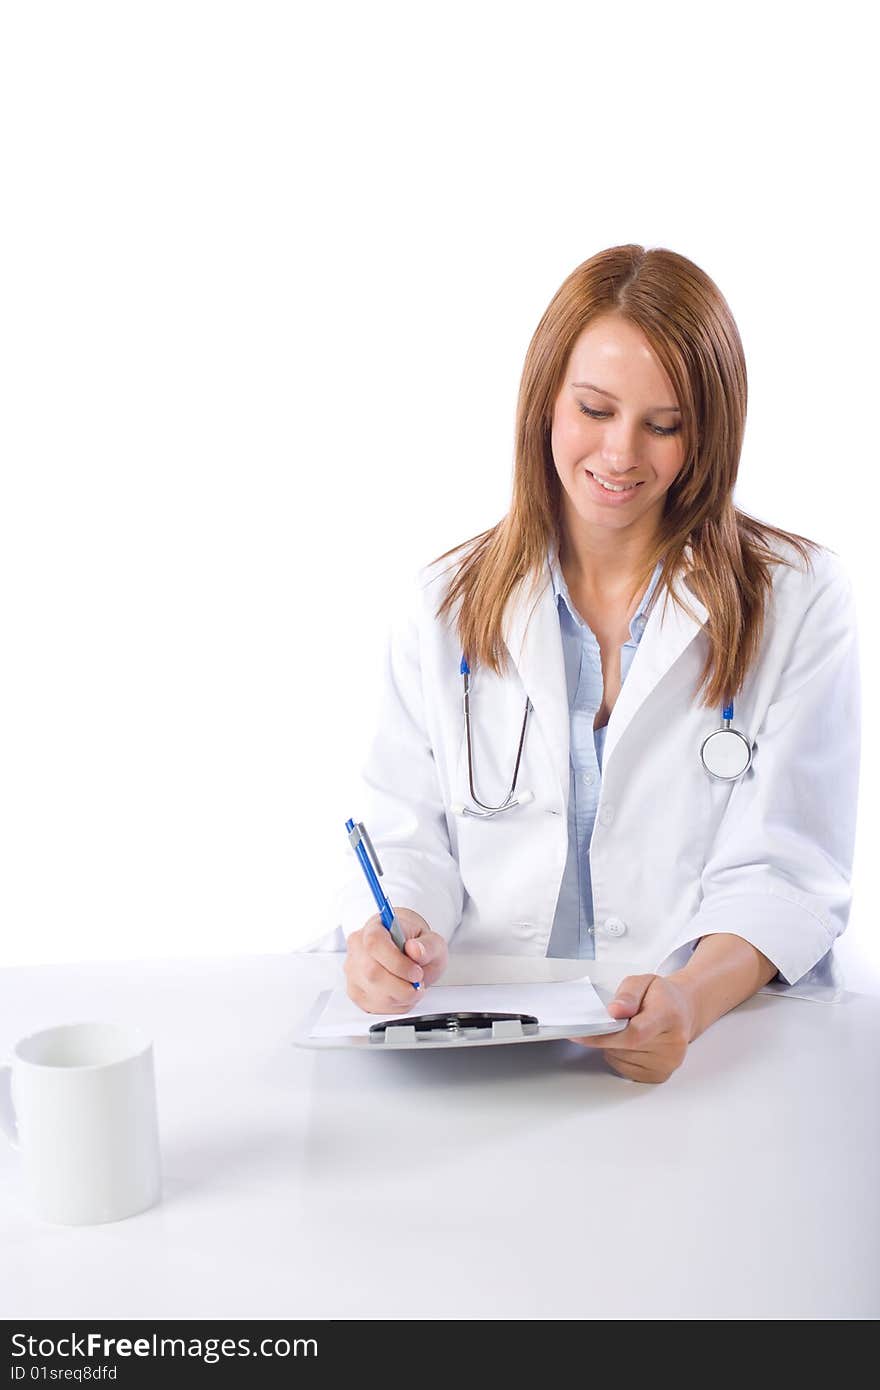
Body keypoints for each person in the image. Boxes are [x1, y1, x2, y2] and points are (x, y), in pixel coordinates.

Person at [330, 243, 860, 1084]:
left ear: (708, 432)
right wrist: (392, 937)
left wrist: (687, 999)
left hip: (707, 1046)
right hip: (479, 1040)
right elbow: (407, 837)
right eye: (595, 410)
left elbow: (787, 871)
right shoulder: (443, 604)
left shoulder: (796, 600)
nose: (620, 455)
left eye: (664, 425)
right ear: (545, 402)